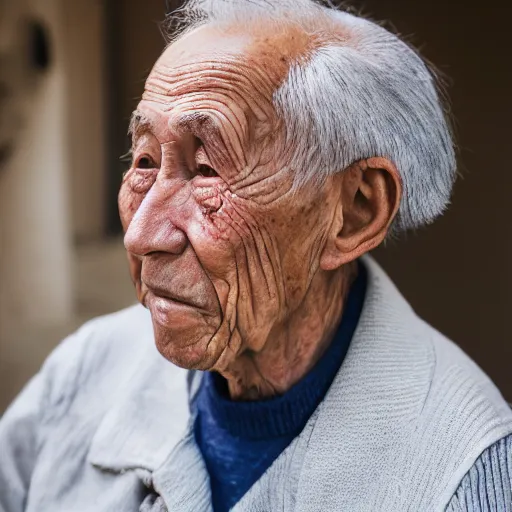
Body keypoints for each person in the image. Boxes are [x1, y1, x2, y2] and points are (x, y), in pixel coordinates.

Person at [1, 1, 511, 511]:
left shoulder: (464, 475)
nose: (141, 234)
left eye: (206, 170)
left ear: (355, 211)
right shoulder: (85, 369)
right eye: (144, 162)